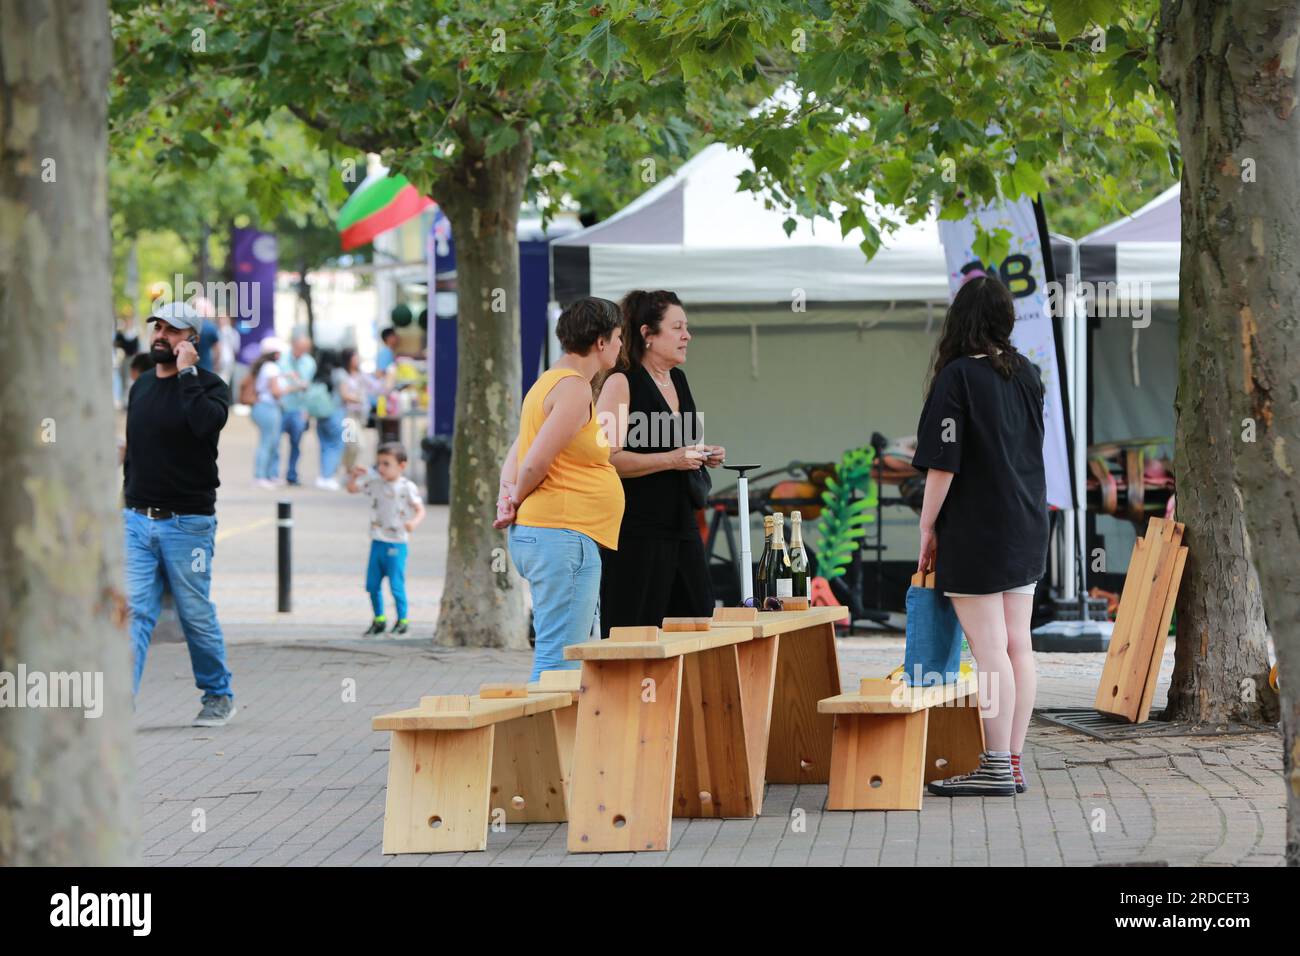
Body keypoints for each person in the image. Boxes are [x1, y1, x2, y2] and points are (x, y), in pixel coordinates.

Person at [911, 275, 1048, 798]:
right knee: (1019, 647)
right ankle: (1010, 762)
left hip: (978, 527)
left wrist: (927, 528)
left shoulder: (957, 378)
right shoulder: (1027, 375)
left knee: (989, 648)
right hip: (1027, 522)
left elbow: (942, 466)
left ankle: (994, 765)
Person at [494, 297, 625, 680]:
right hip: (562, 536)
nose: (620, 346)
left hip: (557, 537)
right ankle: (545, 741)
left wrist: (507, 496)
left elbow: (516, 453)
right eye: (618, 337)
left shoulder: (547, 383)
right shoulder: (574, 389)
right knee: (559, 663)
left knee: (578, 659)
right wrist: (514, 498)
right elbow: (534, 461)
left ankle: (573, 741)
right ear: (601, 342)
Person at [123, 300, 236, 726]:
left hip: (188, 523)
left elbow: (204, 425)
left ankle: (218, 695)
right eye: (158, 328)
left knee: (193, 613)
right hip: (137, 520)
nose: (161, 336)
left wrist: (188, 373)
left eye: (172, 331)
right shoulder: (142, 386)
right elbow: (136, 449)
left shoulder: (209, 386)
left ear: (191, 340)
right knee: (133, 612)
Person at [595, 290, 725, 635]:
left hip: (682, 525)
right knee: (634, 629)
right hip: (635, 531)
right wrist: (670, 459)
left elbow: (683, 445)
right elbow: (606, 457)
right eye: (677, 327)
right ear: (647, 334)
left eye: (687, 327)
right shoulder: (621, 382)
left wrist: (702, 453)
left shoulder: (678, 380)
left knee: (697, 621)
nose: (687, 336)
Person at [347, 442, 426, 635]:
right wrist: (354, 475)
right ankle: (379, 618)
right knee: (372, 584)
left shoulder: (407, 487)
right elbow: (352, 489)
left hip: (397, 542)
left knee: (396, 585)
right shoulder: (375, 483)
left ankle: (403, 619)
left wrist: (413, 523)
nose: (381, 468)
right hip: (377, 540)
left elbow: (420, 509)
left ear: (401, 465)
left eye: (386, 464)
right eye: (379, 464)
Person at [278, 329, 316, 486]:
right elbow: (282, 381)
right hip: (281, 407)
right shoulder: (282, 359)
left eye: (306, 348)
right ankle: (272, 474)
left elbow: (308, 388)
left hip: (299, 409)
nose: (303, 351)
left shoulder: (309, 362)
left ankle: (292, 474)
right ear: (293, 344)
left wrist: (306, 410)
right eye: (301, 347)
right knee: (274, 442)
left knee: (296, 443)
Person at [249, 337, 289, 488]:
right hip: (268, 408)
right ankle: (260, 476)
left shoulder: (265, 366)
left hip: (264, 407)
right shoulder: (272, 367)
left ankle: (269, 474)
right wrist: (294, 388)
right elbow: (276, 392)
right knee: (267, 443)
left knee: (272, 442)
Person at [313, 348, 346, 490]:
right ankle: (329, 475)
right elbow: (344, 395)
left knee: (325, 446)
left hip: (321, 415)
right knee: (336, 445)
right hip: (336, 412)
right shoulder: (339, 373)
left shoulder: (317, 374)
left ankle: (323, 475)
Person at [336, 347, 369, 474]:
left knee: (352, 445)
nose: (357, 360)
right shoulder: (342, 374)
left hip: (360, 415)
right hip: (347, 416)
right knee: (355, 444)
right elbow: (344, 395)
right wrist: (357, 399)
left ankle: (348, 471)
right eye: (355, 357)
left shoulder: (360, 375)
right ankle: (348, 470)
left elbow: (375, 386)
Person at [216, 313, 240, 390]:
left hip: (227, 362)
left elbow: (235, 349)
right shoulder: (217, 331)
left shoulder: (231, 332)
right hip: (220, 362)